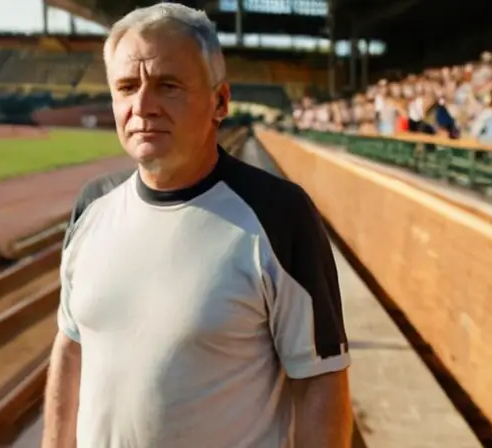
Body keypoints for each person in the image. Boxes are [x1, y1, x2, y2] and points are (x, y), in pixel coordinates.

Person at [41, 4, 352, 448]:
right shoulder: (92, 205)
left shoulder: (279, 214)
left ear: (220, 101)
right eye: (126, 87)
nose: (142, 106)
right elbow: (71, 346)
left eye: (167, 86)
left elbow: (321, 380)